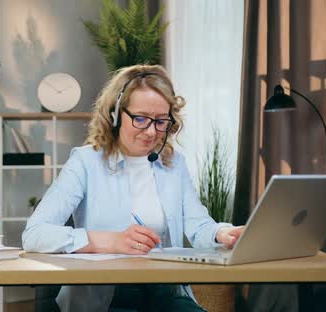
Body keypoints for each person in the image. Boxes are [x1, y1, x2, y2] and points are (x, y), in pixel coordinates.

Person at [22, 64, 244, 312]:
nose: (151, 132)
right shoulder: (86, 161)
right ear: (116, 114)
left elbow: (198, 225)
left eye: (161, 121)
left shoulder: (174, 164)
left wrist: (223, 234)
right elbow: (34, 234)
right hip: (105, 296)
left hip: (162, 289)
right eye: (140, 119)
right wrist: (109, 241)